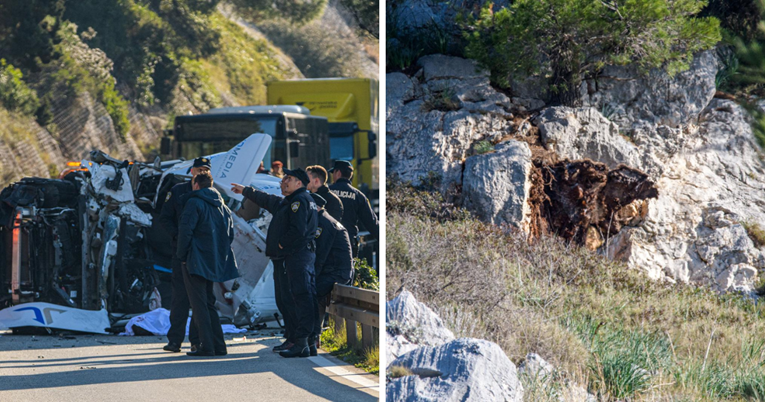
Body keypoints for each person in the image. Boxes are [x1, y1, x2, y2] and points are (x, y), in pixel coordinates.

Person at [231, 168, 318, 358]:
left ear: (299, 183)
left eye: (289, 178)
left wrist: (281, 244)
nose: (283, 181)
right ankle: (297, 339)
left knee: (298, 298)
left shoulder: (299, 201)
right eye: (284, 178)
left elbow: (298, 231)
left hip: (294, 257)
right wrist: (246, 191)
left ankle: (302, 342)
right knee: (286, 299)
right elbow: (268, 200)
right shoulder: (289, 202)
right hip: (288, 258)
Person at [176, 172, 238, 357]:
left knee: (199, 305)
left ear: (196, 184)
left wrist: (182, 255)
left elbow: (185, 231)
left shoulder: (194, 203)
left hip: (195, 259)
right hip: (214, 260)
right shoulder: (223, 207)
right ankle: (219, 346)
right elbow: (230, 236)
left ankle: (207, 346)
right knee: (209, 304)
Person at [159, 157, 210, 353]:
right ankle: (175, 340)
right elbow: (165, 217)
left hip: (202, 253)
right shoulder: (179, 191)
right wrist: (177, 235)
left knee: (199, 299)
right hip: (181, 251)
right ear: (191, 171)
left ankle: (196, 341)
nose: (201, 172)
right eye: (198, 169)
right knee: (180, 298)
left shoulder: (212, 193)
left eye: (205, 169)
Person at [309, 193, 353, 353]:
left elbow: (321, 255)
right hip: (336, 270)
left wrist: (312, 276)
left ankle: (312, 337)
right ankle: (314, 336)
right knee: (313, 291)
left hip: (337, 273)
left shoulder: (324, 224)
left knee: (311, 293)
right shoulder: (325, 219)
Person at [329, 160, 379, 257]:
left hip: (329, 243)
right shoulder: (359, 196)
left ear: (338, 173)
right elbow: (371, 222)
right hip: (348, 242)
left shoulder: (328, 192)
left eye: (333, 173)